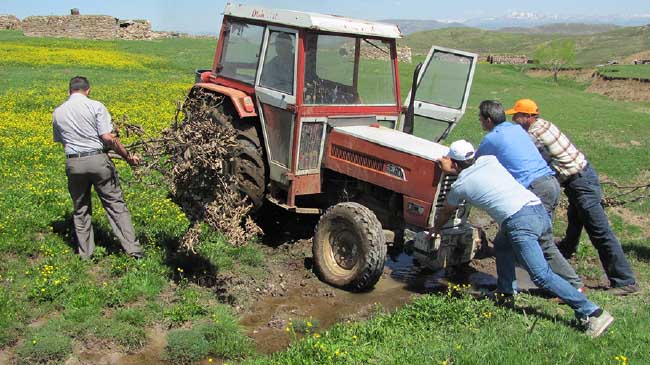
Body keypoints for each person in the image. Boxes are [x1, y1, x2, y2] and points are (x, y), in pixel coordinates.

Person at [433, 140, 613, 338]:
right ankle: (506, 294)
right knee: (502, 244)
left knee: (540, 275)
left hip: (520, 223)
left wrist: (435, 229)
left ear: (455, 163)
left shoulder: (461, 185)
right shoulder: (489, 160)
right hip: (537, 209)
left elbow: (446, 211)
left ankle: (592, 312)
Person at [507, 98, 639, 296]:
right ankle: (566, 252)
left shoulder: (535, 134)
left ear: (527, 116)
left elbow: (522, 153)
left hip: (580, 183)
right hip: (581, 177)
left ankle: (625, 281)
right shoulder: (545, 124)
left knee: (599, 231)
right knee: (574, 221)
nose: (514, 120)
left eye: (516, 116)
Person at [475, 100, 584, 291]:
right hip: (550, 183)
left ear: (489, 120)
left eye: (480, 119)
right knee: (502, 244)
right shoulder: (515, 129)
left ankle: (573, 285)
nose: (480, 122)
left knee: (542, 242)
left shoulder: (492, 139)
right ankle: (506, 289)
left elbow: (475, 165)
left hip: (536, 189)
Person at [53, 76, 144, 260]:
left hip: (73, 163)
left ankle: (85, 254)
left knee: (81, 209)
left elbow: (63, 142)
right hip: (98, 161)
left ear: (69, 91)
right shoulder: (95, 106)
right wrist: (127, 157)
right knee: (115, 205)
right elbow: (108, 138)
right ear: (88, 90)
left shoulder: (58, 112)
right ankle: (133, 250)